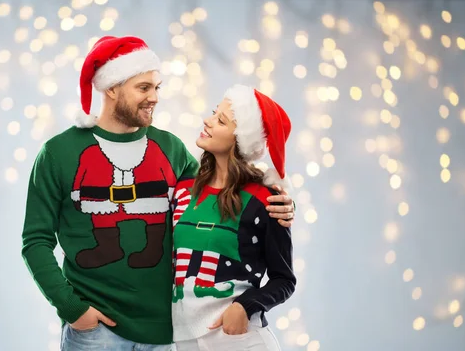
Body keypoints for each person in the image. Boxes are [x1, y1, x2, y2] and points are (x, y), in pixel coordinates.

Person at [21, 36, 296, 351]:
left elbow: (219, 197)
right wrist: (73, 309)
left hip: (166, 335)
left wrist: (281, 204)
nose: (154, 97)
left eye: (157, 87)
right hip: (95, 333)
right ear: (112, 88)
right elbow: (36, 241)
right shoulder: (59, 153)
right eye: (143, 88)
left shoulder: (171, 149)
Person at [170, 85, 296, 351]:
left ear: (240, 139)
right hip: (182, 341)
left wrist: (245, 306)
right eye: (214, 113)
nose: (208, 120)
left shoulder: (266, 200)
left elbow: (284, 280)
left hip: (240, 339)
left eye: (221, 120)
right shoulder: (182, 191)